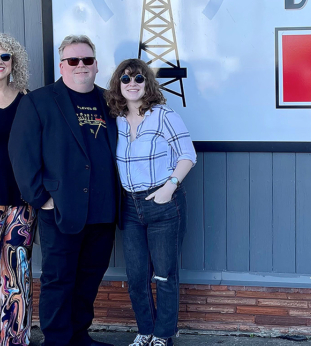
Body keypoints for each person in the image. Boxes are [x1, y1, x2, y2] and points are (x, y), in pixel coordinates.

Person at [8, 35, 118, 346]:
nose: (81, 65)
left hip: (103, 210)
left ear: (96, 65)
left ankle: (79, 336)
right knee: (58, 279)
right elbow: (21, 154)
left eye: (87, 60)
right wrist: (41, 199)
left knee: (89, 278)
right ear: (62, 66)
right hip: (60, 210)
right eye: (73, 60)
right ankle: (57, 340)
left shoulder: (110, 101)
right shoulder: (38, 101)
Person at [105, 59, 196, 346]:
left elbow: (187, 155)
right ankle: (145, 330)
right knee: (136, 276)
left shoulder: (164, 115)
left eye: (138, 78)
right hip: (130, 207)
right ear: (118, 85)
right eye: (125, 79)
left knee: (165, 274)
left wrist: (170, 187)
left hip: (163, 204)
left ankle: (163, 334)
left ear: (148, 83)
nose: (132, 83)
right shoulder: (116, 119)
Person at [0, 34, 35, 346]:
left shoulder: (27, 100)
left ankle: (14, 339)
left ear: (14, 62)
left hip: (19, 201)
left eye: (5, 56)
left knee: (16, 273)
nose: (0, 62)